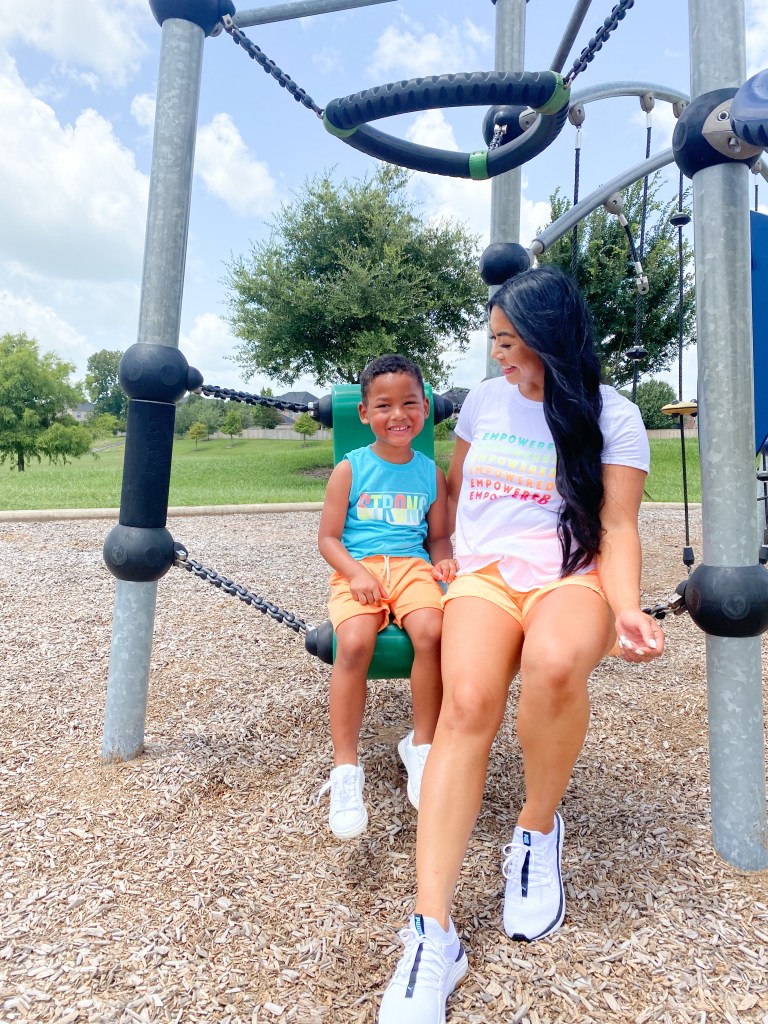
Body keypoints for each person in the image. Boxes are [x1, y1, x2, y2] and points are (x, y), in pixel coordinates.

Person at [378, 265, 666, 1022]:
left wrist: (627, 607)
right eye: (495, 341)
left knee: (555, 662)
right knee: (467, 704)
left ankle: (537, 828)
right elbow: (457, 491)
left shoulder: (613, 414)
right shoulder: (484, 401)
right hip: (486, 575)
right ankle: (431, 934)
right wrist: (437, 552)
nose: (499, 355)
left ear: (549, 336)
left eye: (509, 341)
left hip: (572, 573)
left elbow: (619, 526)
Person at [317, 353, 457, 841]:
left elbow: (438, 538)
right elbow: (328, 539)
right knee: (354, 642)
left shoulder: (430, 473)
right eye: (384, 405)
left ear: (426, 409)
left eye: (410, 403)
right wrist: (355, 573)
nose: (398, 415)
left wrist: (444, 561)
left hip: (413, 568)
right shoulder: (350, 469)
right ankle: (345, 768)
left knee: (432, 632)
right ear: (364, 413)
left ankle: (422, 746)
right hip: (361, 569)